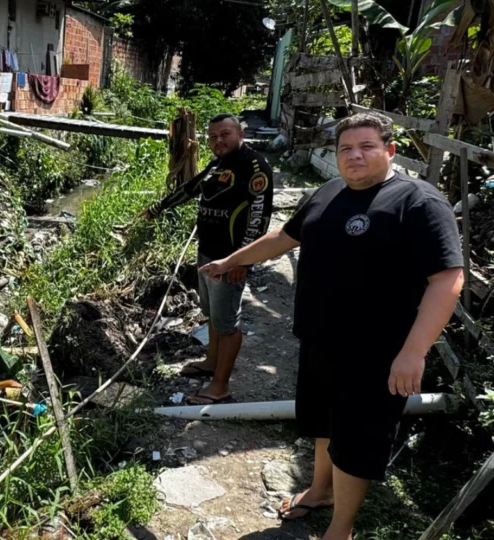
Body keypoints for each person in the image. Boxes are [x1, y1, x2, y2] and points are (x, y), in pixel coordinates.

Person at [199, 112, 464, 540]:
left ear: (390, 151)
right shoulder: (328, 192)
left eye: (366, 147)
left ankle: (341, 528)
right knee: (322, 423)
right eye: (346, 149)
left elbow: (448, 279)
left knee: (356, 441)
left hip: (377, 352)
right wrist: (231, 260)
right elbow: (284, 237)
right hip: (319, 338)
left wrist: (414, 352)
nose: (354, 156)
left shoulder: (418, 203)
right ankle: (320, 490)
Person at [139, 113, 273, 405]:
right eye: (213, 137)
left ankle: (220, 386)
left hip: (230, 259)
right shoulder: (218, 164)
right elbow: (191, 189)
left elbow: (259, 219)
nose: (218, 140)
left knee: (227, 323)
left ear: (240, 134)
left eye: (225, 134)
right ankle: (211, 361)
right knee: (212, 313)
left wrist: (242, 261)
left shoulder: (254, 167)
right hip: (207, 253)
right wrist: (157, 208)